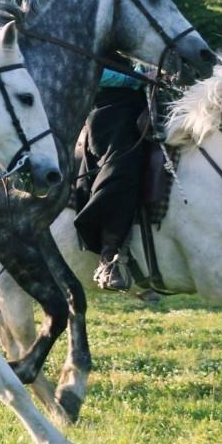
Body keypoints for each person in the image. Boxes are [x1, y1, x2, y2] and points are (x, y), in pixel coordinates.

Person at [73, 65, 149, 291]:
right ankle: (109, 256)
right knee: (122, 166)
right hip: (109, 111)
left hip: (147, 103)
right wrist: (139, 77)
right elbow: (90, 71)